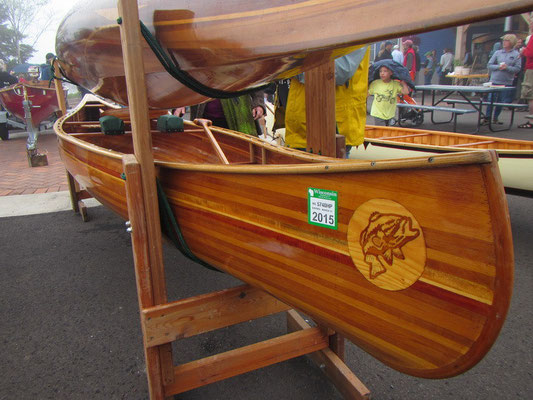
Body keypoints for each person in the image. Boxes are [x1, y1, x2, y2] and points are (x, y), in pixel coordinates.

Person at [284, 46, 370, 157]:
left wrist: (288, 67)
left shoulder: (357, 30)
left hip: (332, 131)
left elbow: (338, 72)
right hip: (300, 127)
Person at [183, 92, 266, 136]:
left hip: (239, 120)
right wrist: (180, 103)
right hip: (204, 121)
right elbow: (185, 79)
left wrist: (259, 104)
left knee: (243, 152)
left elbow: (255, 79)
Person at [484, 34, 521, 125]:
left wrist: (507, 68)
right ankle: (487, 118)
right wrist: (498, 67)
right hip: (495, 80)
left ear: (511, 42)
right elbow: (489, 65)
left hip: (506, 81)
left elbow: (517, 68)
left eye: (506, 40)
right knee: (490, 99)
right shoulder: (497, 52)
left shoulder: (516, 54)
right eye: (504, 40)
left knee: (500, 101)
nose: (504, 42)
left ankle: (495, 118)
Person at [518, 34, 533, 128]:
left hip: (531, 68)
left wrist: (523, 51)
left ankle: (531, 120)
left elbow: (530, 53)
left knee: (530, 94)